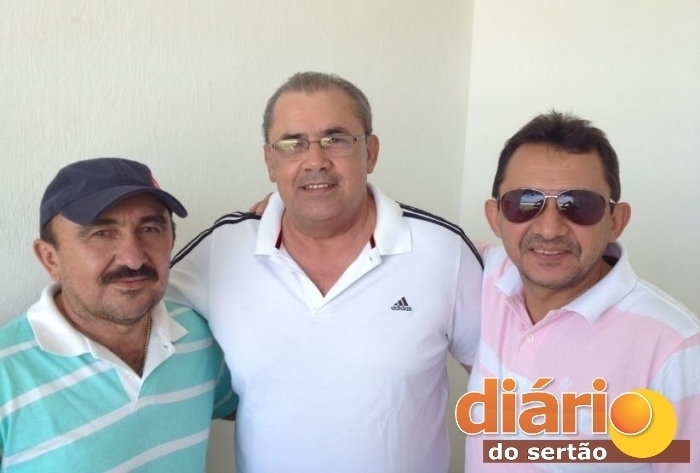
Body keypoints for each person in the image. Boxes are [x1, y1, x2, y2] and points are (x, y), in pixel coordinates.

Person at [167, 72, 484, 473]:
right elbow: (141, 311)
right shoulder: (224, 249)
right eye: (292, 144)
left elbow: (506, 376)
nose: (315, 161)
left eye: (335, 139)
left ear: (371, 151)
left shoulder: (443, 252)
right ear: (270, 161)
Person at [464, 111, 700, 471]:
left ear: (615, 221)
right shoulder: (481, 276)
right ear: (496, 217)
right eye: (525, 202)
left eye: (579, 205)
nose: (549, 229)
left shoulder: (675, 348)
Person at [0, 158, 238, 472]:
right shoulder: (6, 374)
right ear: (50, 258)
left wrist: (286, 218)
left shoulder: (199, 337)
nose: (134, 258)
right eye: (101, 233)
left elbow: (261, 403)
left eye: (150, 229)